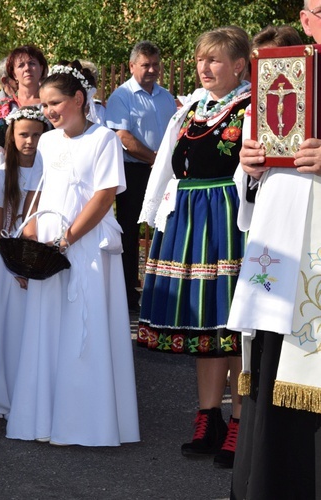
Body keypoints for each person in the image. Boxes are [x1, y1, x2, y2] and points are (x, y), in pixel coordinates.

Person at [4, 62, 139, 446]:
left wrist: (68, 240)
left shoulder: (104, 140)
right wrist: (30, 237)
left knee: (84, 327)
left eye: (55, 103)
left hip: (86, 245)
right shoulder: (48, 142)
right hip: (50, 244)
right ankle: (44, 419)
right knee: (48, 328)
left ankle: (86, 422)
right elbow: (41, 191)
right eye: (44, 105)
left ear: (79, 99)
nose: (48, 111)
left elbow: (104, 195)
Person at [137, 26, 252, 469]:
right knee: (204, 326)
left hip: (228, 217)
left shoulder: (249, 107)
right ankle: (210, 417)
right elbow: (165, 165)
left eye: (216, 60)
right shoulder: (188, 109)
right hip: (187, 216)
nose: (205, 67)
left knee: (233, 322)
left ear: (239, 65)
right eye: (202, 60)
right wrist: (151, 215)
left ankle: (242, 420)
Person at [228, 14, 320, 498]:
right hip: (281, 255)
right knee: (272, 378)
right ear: (306, 21)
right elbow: (250, 193)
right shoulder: (276, 81)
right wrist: (250, 167)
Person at [0, 106, 49, 418]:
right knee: (5, 327)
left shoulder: (49, 171)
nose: (30, 140)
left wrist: (32, 262)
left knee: (32, 329)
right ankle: (2, 398)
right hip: (6, 259)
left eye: (37, 134)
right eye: (24, 134)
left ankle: (32, 396)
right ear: (12, 136)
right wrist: (16, 263)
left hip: (37, 260)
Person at [105, 41, 177, 312]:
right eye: (145, 64)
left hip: (165, 172)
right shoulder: (121, 96)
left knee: (166, 227)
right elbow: (122, 137)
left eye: (155, 64)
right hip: (134, 171)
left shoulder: (166, 96)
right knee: (130, 233)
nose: (152, 70)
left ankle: (164, 291)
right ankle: (127, 294)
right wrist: (156, 159)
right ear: (133, 65)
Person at [0, 45, 48, 145]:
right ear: (14, 74)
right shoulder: (3, 107)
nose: (27, 68)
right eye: (21, 65)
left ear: (41, 69)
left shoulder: (52, 103)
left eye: (32, 63)